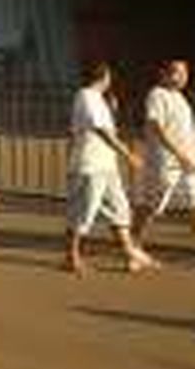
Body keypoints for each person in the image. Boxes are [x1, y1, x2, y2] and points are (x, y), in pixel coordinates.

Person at [65, 63, 157, 274]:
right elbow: (102, 131)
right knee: (83, 213)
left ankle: (129, 253)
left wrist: (112, 110)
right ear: (104, 77)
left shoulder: (99, 99)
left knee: (120, 210)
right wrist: (128, 155)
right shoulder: (86, 96)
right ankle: (72, 257)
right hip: (90, 166)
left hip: (106, 165)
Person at [132, 59, 195, 246]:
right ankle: (133, 245)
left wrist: (189, 155)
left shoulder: (182, 99)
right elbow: (156, 126)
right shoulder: (157, 94)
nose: (182, 77)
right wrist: (178, 153)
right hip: (164, 162)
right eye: (177, 72)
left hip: (187, 161)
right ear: (165, 74)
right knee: (151, 206)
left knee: (194, 202)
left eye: (185, 73)